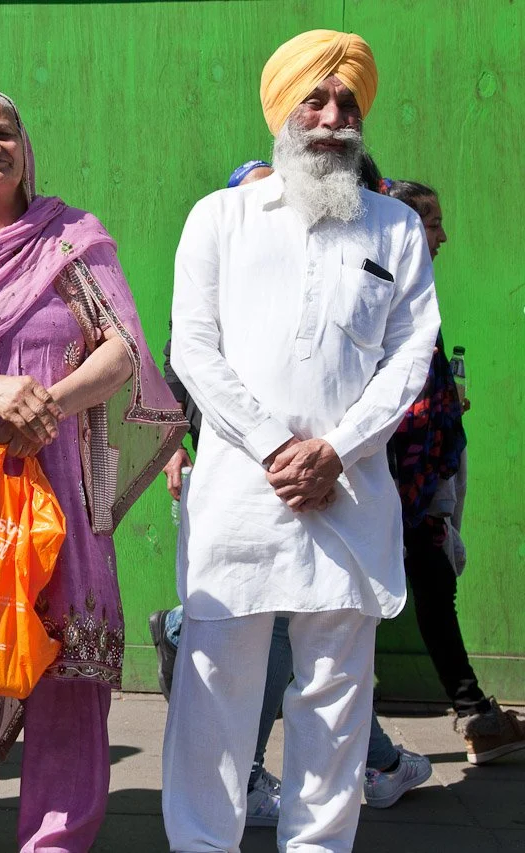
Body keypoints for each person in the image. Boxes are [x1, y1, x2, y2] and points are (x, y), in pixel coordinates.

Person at [0, 90, 186, 852]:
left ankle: (56, 839)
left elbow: (122, 348)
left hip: (59, 492)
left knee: (69, 680)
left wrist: (46, 402)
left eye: (3, 131)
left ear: (26, 145)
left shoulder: (71, 238)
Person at [162, 30, 443, 851]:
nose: (330, 117)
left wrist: (337, 450)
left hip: (348, 501)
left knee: (335, 702)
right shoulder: (220, 217)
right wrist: (272, 447)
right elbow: (193, 347)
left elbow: (410, 355)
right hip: (240, 504)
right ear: (282, 110)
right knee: (215, 695)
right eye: (313, 101)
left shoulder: (393, 228)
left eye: (345, 102)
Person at [366, 180, 524, 776]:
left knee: (430, 584)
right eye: (429, 220)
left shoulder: (412, 284)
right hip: (390, 475)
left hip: (417, 477)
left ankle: (475, 714)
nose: (442, 234)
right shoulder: (377, 281)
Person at [149, 156, 285, 831]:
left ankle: (246, 773)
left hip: (289, 482)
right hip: (221, 476)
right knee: (234, 620)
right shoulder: (214, 268)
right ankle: (231, 787)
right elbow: (180, 359)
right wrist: (174, 445)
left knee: (276, 627)